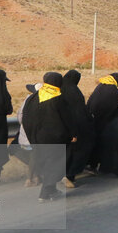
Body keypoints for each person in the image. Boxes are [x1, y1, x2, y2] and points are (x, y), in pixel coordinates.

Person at [30, 72, 77, 202]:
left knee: (48, 163)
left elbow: (28, 117)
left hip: (39, 137)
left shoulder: (35, 96)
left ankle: (52, 190)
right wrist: (72, 134)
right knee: (56, 164)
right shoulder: (59, 98)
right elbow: (67, 118)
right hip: (56, 138)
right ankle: (44, 194)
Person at [86, 71, 118, 171]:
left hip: (94, 121)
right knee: (106, 145)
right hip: (106, 123)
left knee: (95, 143)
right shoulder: (114, 90)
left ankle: (92, 165)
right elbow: (113, 108)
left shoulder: (99, 86)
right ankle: (105, 166)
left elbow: (90, 102)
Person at [61, 69, 94, 188]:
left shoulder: (60, 89)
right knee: (77, 151)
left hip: (63, 126)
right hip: (77, 127)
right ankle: (70, 175)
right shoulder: (75, 92)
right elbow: (80, 112)